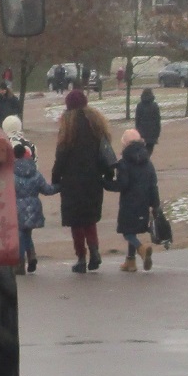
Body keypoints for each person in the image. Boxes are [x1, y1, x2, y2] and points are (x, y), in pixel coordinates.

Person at [51, 86, 114, 273]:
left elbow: (61, 156)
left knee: (76, 223)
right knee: (89, 220)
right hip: (93, 179)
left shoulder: (68, 128)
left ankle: (81, 258)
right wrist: (108, 174)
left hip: (72, 182)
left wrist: (56, 177)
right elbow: (104, 153)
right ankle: (95, 251)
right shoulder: (96, 124)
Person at [107, 128, 162, 272]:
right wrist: (155, 205)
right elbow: (153, 185)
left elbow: (122, 185)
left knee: (128, 232)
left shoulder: (124, 163)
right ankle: (130, 261)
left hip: (129, 203)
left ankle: (141, 248)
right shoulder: (148, 162)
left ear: (125, 144)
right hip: (144, 202)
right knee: (134, 228)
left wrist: (105, 183)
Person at [13, 138, 58, 275]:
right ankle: (31, 256)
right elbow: (47, 190)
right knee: (27, 233)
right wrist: (61, 186)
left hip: (17, 208)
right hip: (34, 208)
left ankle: (20, 263)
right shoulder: (35, 173)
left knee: (20, 235)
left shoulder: (11, 174)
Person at [134, 87, 161, 154]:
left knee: (141, 149)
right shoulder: (155, 106)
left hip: (141, 131)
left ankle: (142, 160)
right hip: (152, 131)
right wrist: (158, 132)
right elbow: (157, 120)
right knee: (149, 149)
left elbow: (137, 119)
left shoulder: (139, 105)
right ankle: (145, 160)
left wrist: (137, 130)